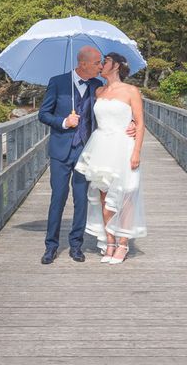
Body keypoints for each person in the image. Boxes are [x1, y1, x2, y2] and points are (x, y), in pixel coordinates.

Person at [38, 46, 134, 264]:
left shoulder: (97, 86)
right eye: (97, 62)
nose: (100, 66)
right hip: (61, 151)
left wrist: (133, 123)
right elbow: (43, 114)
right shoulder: (57, 82)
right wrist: (63, 122)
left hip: (87, 151)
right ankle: (51, 247)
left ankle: (76, 246)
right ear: (83, 64)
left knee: (81, 200)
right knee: (58, 198)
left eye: (102, 62)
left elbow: (110, 111)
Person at [75, 52, 147, 265]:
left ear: (116, 66)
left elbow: (140, 123)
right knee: (104, 197)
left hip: (123, 146)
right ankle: (110, 241)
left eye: (104, 62)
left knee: (125, 195)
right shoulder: (98, 90)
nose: (101, 65)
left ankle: (123, 244)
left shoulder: (131, 91)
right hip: (100, 146)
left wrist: (136, 152)